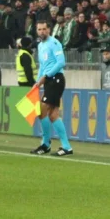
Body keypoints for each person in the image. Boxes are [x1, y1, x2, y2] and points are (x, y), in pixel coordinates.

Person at [31, 21, 72, 156]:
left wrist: (46, 77)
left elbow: (61, 62)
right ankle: (66, 146)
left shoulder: (54, 43)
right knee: (53, 114)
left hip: (56, 79)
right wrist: (38, 82)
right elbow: (42, 66)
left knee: (42, 110)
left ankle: (46, 144)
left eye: (44, 29)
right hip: (49, 80)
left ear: (49, 30)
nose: (42, 31)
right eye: (39, 29)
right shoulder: (40, 45)